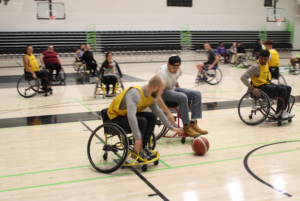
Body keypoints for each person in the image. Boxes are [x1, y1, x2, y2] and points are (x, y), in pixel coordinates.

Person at [107, 76, 184, 160]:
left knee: (152, 116)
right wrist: (138, 138)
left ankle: (143, 147)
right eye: (161, 90)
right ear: (155, 88)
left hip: (127, 115)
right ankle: (137, 151)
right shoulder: (135, 93)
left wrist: (172, 128)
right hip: (116, 117)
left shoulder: (151, 97)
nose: (161, 93)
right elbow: (131, 116)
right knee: (142, 121)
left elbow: (160, 113)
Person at [156, 55, 208, 137]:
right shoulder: (162, 74)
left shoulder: (179, 69)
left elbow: (175, 80)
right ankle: (186, 127)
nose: (176, 70)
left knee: (197, 94)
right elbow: (157, 96)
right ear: (168, 64)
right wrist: (168, 113)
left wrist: (179, 94)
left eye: (177, 67)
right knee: (182, 97)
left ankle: (193, 123)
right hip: (162, 92)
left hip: (172, 89)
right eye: (174, 68)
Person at [240, 50, 294, 119]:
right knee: (283, 90)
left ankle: (283, 110)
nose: (263, 60)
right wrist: (252, 89)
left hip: (267, 84)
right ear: (259, 57)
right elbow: (243, 77)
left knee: (288, 88)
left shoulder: (266, 64)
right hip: (260, 87)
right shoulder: (256, 66)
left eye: (265, 59)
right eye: (261, 58)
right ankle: (278, 113)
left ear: (268, 58)